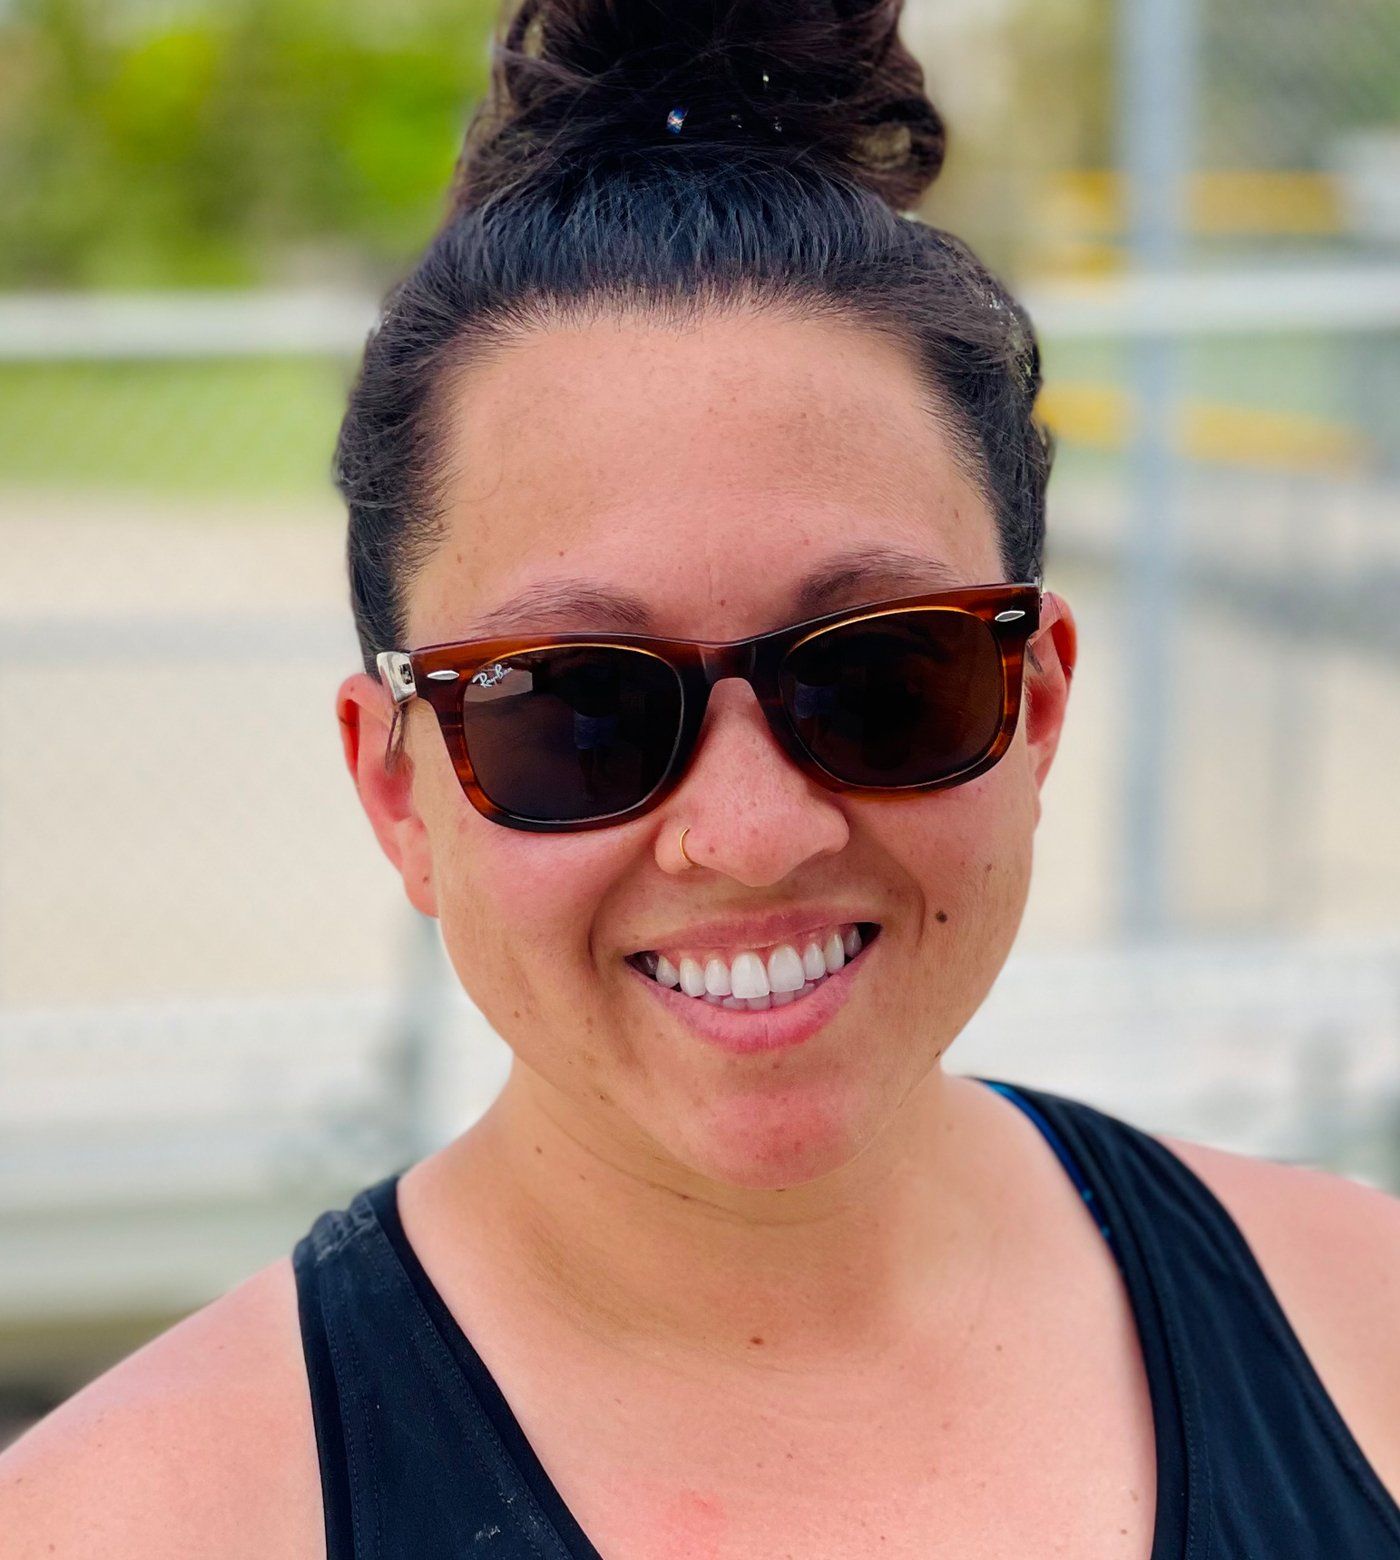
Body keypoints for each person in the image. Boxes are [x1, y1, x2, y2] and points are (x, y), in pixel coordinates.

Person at [4, 1, 1400, 1554]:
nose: (750, 834)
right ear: (399, 791)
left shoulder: (1373, 1338)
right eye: (576, 710)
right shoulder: (125, 1524)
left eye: (882, 674)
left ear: (1039, 699)